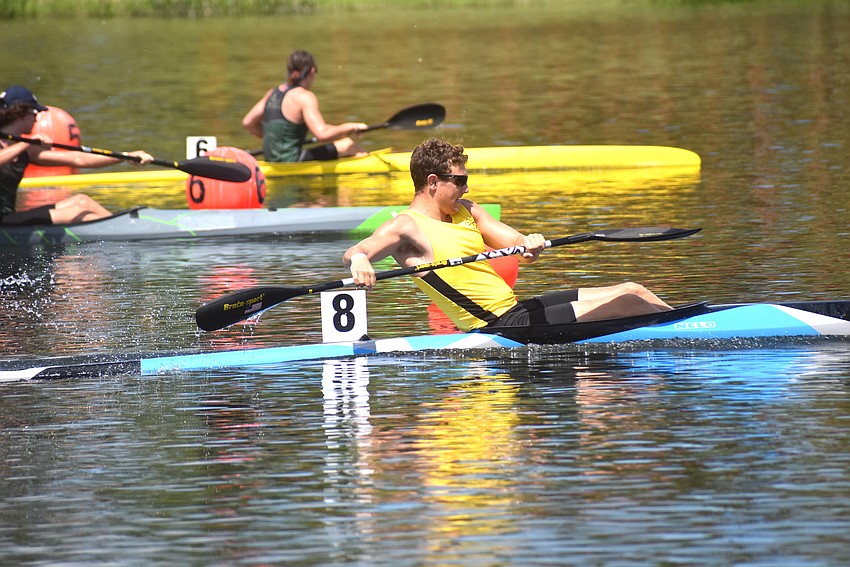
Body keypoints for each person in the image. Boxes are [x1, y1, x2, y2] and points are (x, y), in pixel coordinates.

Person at [343, 137, 674, 332]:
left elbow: (516, 245)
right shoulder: (405, 226)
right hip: (497, 327)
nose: (466, 187)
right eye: (458, 181)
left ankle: (695, 323)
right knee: (629, 304)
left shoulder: (467, 210)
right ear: (433, 182)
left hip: (515, 310)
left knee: (633, 289)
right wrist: (359, 259)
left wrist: (529, 245)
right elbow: (358, 250)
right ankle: (687, 330)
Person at [0, 85, 154, 225]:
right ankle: (127, 237)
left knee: (82, 202)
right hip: (4, 222)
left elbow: (77, 158)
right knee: (79, 215)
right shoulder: (25, 146)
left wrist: (126, 157)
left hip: (9, 216)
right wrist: (28, 142)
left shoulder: (26, 150)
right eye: (35, 112)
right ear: (21, 113)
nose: (37, 118)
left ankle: (128, 230)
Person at [242, 50, 368, 163]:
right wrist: (351, 126)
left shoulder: (272, 94)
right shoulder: (304, 97)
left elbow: (248, 123)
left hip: (271, 161)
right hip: (292, 162)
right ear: (312, 71)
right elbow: (322, 134)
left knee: (337, 145)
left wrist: (276, 141)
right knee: (347, 144)